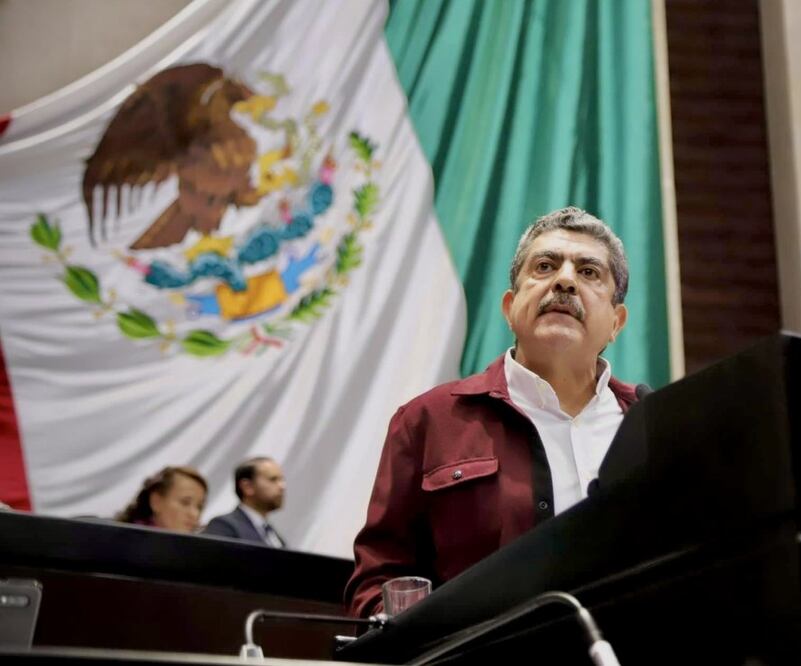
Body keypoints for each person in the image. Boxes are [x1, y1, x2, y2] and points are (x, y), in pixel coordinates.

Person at [346, 206, 640, 617]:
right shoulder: (429, 422)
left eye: (589, 272)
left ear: (616, 322)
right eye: (545, 266)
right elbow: (380, 581)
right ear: (509, 307)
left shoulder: (653, 425)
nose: (565, 281)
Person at [202, 456, 287, 547]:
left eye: (282, 480)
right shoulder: (224, 526)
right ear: (247, 487)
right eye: (273, 479)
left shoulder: (273, 535)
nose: (282, 486)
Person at [115, 465, 208, 533]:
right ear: (156, 502)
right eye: (185, 502)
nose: (194, 514)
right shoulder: (118, 544)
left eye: (199, 507)